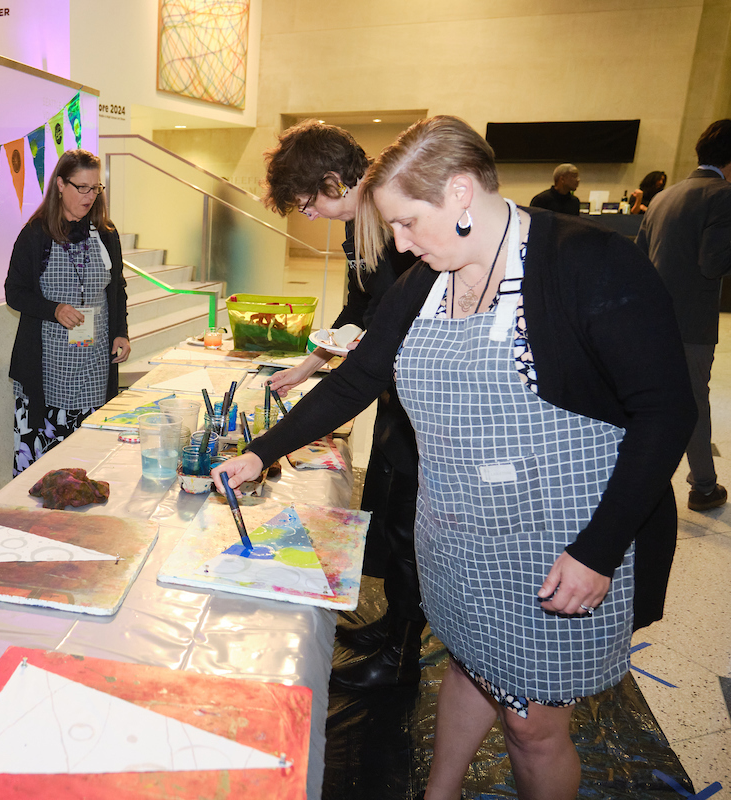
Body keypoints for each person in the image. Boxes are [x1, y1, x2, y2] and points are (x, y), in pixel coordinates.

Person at [214, 116, 694, 799]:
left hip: (555, 546)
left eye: (408, 223)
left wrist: (599, 550)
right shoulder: (426, 284)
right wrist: (260, 454)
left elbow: (666, 413)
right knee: (470, 665)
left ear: (461, 191)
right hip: (459, 538)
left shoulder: (591, 265)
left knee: (532, 728)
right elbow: (357, 379)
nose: (400, 244)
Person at [260, 119, 423, 688]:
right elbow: (357, 307)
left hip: (415, 391)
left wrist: (340, 373)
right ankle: (392, 624)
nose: (306, 215)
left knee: (407, 523)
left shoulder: (394, 223)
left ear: (333, 181)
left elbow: (391, 324)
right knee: (383, 502)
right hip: (386, 387)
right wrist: (309, 364)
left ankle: (402, 656)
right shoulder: (359, 225)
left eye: (307, 202)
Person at [6, 149, 130, 476]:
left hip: (94, 364)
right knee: (46, 472)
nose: (90, 197)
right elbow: (14, 292)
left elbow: (116, 287)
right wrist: (53, 309)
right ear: (60, 185)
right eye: (82, 188)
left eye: (96, 189)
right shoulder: (35, 235)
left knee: (88, 464)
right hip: (46, 369)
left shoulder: (106, 233)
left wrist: (121, 332)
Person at [637, 119, 731, 511]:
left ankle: (632, 481)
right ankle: (704, 486)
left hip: (651, 320)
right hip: (690, 322)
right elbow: (712, 264)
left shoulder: (663, 196)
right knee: (693, 402)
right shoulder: (722, 196)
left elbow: (639, 259)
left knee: (651, 401)